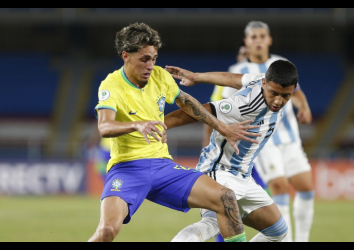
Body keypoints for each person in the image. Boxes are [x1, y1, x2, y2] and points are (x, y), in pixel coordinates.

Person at [87, 22, 261, 242]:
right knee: (107, 231)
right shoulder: (111, 85)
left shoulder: (160, 77)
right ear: (126, 56)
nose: (151, 66)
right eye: (144, 59)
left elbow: (188, 104)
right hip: (127, 169)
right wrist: (137, 125)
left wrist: (223, 127)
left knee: (226, 197)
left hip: (162, 166)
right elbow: (104, 127)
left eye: (154, 59)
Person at [164, 59, 298, 242]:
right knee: (211, 224)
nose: (278, 101)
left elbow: (233, 79)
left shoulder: (261, 78)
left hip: (244, 176)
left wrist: (197, 76)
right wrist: (161, 125)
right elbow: (199, 110)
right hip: (220, 172)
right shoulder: (245, 105)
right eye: (274, 93)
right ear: (264, 83)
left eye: (286, 96)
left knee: (278, 232)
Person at [221, 20, 315, 242]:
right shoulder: (237, 71)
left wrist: (305, 107)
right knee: (280, 186)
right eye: (254, 37)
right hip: (263, 140)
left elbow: (297, 90)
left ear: (269, 40)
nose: (258, 41)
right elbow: (228, 106)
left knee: (306, 187)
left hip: (290, 138)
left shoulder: (282, 64)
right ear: (247, 42)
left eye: (262, 36)